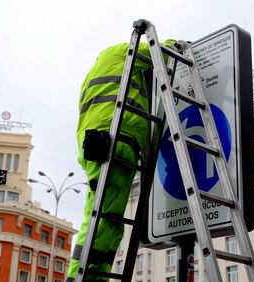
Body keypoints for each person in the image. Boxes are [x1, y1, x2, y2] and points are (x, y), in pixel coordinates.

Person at [67, 39, 176, 282]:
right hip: (117, 139)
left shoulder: (94, 72)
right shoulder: (120, 53)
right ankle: (86, 278)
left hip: (95, 144)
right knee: (107, 219)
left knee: (100, 214)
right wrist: (179, 46)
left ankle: (86, 274)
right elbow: (160, 52)